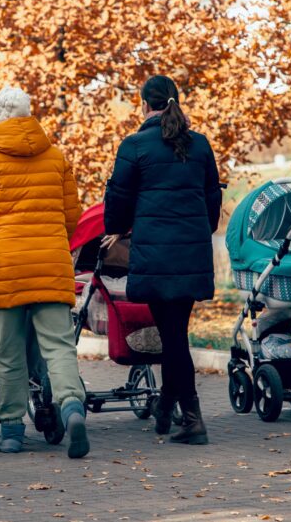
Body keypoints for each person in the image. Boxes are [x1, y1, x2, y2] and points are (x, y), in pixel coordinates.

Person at [0, 86, 89, 457]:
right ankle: (71, 408)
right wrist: (54, 244)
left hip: (6, 267)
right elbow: (72, 217)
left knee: (9, 354)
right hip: (51, 264)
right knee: (60, 348)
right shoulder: (56, 157)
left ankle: (13, 430)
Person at [103, 75, 222, 445]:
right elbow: (212, 203)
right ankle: (166, 405)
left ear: (144, 105)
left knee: (173, 338)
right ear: (175, 102)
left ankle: (192, 418)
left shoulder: (135, 146)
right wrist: (197, 231)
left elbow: (117, 202)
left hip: (155, 254)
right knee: (175, 333)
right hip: (190, 252)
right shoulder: (199, 145)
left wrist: (118, 228)